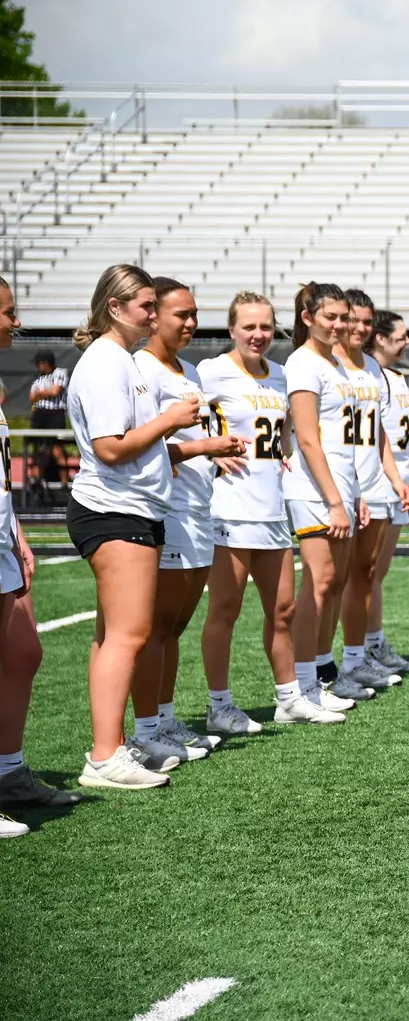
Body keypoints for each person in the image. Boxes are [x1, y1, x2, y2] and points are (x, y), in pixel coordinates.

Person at [67, 265, 204, 789]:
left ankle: (112, 747)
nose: (154, 314)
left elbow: (133, 445)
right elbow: (110, 446)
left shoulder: (121, 360)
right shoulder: (106, 362)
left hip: (131, 506)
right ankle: (105, 756)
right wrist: (170, 420)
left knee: (114, 637)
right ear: (115, 307)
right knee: (128, 635)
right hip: (114, 508)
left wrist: (181, 437)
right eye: (146, 305)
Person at [198, 292, 341, 728]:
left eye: (265, 327)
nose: (258, 335)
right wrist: (208, 450)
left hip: (271, 505)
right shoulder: (212, 371)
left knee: (283, 610)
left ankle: (288, 698)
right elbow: (186, 417)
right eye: (249, 327)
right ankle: (218, 705)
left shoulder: (280, 375)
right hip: (230, 506)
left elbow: (286, 434)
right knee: (225, 608)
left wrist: (283, 452)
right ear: (232, 329)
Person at [131, 278, 247, 767]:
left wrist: (213, 456)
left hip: (199, 505)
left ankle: (165, 717)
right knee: (157, 626)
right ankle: (144, 730)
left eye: (194, 313)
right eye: (181, 314)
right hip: (167, 508)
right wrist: (204, 448)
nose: (190, 323)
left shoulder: (189, 369)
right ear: (153, 315)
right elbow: (139, 443)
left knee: (175, 626)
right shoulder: (141, 368)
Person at [0, 277, 82, 835]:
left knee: (24, 652)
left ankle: (7, 772)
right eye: (8, 313)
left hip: (2, 538)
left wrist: (20, 534)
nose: (16, 323)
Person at [285, 282, 368, 714]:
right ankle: (302, 686)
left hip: (340, 484)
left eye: (342, 317)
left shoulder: (332, 362)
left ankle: (321, 673)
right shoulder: (303, 363)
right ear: (307, 318)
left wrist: (352, 492)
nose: (338, 325)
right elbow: (308, 437)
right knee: (317, 584)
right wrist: (335, 499)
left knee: (334, 582)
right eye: (329, 317)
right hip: (315, 488)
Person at [334, 289, 409, 693]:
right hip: (342, 484)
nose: (361, 329)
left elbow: (379, 430)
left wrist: (396, 478)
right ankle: (322, 671)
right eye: (355, 320)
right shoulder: (325, 365)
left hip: (375, 479)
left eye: (367, 322)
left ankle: (357, 656)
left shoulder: (371, 369)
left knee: (366, 574)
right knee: (335, 579)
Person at [364, 308, 409, 677]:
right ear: (380, 338)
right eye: (400, 336)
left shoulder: (396, 378)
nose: (407, 342)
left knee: (377, 573)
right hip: (376, 480)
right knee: (366, 574)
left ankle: (373, 642)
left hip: (397, 476)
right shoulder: (368, 376)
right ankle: (364, 648)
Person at [26, 348, 69, 498]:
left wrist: (40, 393)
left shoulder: (61, 373)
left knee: (57, 449)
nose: (38, 367)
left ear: (44, 363)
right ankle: (37, 483)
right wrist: (41, 394)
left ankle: (64, 484)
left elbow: (55, 391)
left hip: (55, 414)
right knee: (37, 450)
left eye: (39, 364)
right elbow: (32, 397)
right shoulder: (38, 378)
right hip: (39, 414)